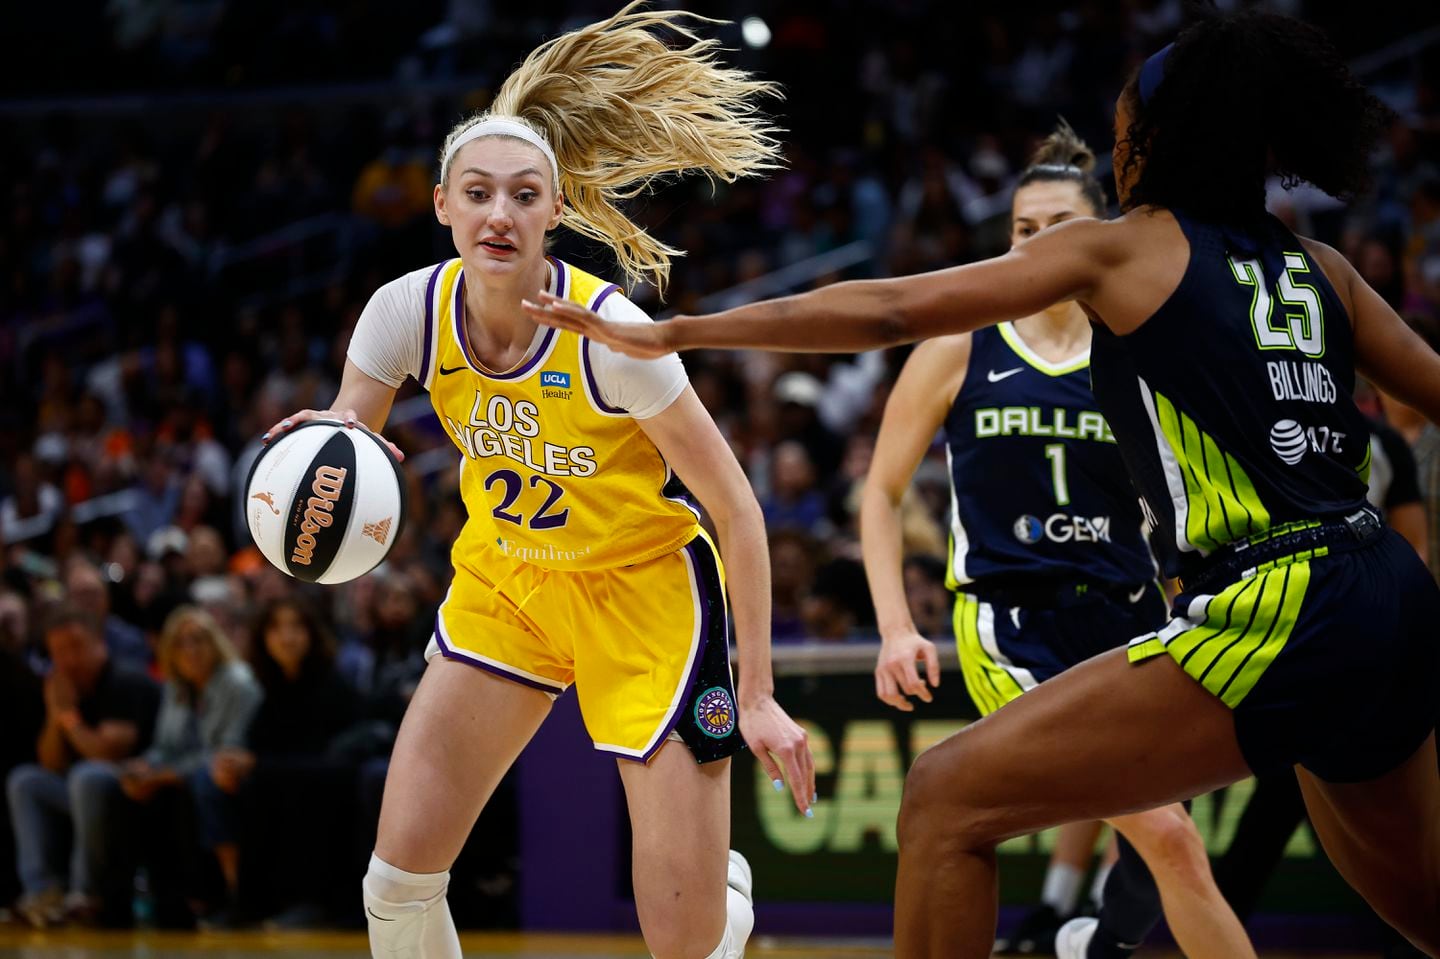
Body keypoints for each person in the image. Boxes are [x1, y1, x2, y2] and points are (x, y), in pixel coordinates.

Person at [525, 9, 1440, 957]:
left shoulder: (1123, 247)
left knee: (944, 797)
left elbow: (890, 308)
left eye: (1125, 123)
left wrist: (674, 332)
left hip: (1278, 601)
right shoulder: (1323, 269)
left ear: (1162, 136)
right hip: (1392, 596)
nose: (1117, 141)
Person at [262, 7, 813, 958]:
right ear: (442, 205)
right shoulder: (405, 310)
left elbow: (736, 508)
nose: (499, 214)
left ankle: (721, 902)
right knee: (394, 885)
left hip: (645, 597)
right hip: (507, 583)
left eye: (523, 195)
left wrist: (757, 692)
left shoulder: (615, 340)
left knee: (682, 943)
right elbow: (353, 425)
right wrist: (326, 442)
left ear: (553, 213)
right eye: (478, 194)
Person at [860, 123, 1251, 959]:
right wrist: (897, 624)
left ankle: (1089, 942)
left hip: (1133, 618)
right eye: (1020, 232)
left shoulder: (1140, 351)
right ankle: (1083, 938)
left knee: (1165, 836)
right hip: (1014, 624)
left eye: (1055, 229)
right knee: (1169, 840)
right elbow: (882, 492)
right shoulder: (960, 344)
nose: (1034, 247)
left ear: (1097, 237)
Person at [5, 603, 159, 927]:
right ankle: (42, 892)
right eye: (59, 651)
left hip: (136, 786)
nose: (69, 659)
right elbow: (50, 762)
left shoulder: (124, 679)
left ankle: (84, 892)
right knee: (25, 780)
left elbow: (106, 752)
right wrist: (54, 713)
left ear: (99, 641)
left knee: (85, 776)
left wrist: (68, 718)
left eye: (76, 646)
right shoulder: (65, 689)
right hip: (83, 791)